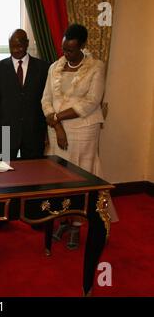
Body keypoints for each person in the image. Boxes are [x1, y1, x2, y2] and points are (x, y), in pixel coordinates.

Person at [41, 23, 119, 250]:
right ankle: (63, 220)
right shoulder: (55, 67)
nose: (66, 54)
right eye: (64, 49)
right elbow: (45, 98)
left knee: (80, 177)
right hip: (57, 131)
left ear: (83, 46)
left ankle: (76, 224)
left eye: (72, 50)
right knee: (59, 178)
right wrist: (56, 125)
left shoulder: (96, 67)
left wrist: (57, 117)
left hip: (84, 130)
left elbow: (91, 101)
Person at [0, 28, 50, 229]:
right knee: (2, 176)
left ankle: (34, 215)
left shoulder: (44, 67)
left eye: (20, 45)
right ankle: (3, 216)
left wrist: (48, 131)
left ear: (28, 43)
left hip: (34, 130)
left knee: (34, 177)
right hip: (5, 131)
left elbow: (47, 101)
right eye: (13, 46)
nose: (17, 49)